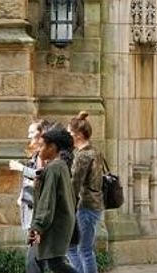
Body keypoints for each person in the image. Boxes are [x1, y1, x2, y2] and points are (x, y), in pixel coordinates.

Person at [27, 127, 79, 273]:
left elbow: (47, 201)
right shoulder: (60, 166)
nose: (39, 149)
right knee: (45, 262)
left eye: (42, 145)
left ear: (52, 147)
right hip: (59, 222)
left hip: (54, 225)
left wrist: (37, 226)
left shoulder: (54, 168)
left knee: (51, 263)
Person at [67, 111, 103, 273]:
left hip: (85, 205)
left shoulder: (82, 156)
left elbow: (75, 183)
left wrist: (66, 203)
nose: (68, 137)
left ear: (79, 135)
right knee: (80, 249)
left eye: (70, 133)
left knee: (84, 250)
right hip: (94, 204)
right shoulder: (95, 151)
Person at [10, 119, 52, 234]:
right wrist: (21, 195)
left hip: (37, 206)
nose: (29, 136)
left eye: (32, 132)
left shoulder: (43, 154)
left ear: (42, 133)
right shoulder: (37, 153)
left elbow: (40, 175)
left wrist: (20, 168)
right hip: (30, 202)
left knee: (34, 238)